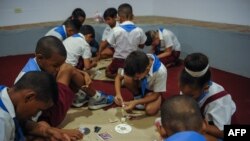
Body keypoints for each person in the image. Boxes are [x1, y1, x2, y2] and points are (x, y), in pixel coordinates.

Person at [14, 36, 114, 138]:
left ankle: (86, 97)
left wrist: (82, 72)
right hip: (43, 119)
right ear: (40, 58)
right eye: (55, 65)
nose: (58, 69)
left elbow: (62, 65)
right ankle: (96, 97)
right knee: (67, 69)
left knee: (67, 68)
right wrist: (59, 131)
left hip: (44, 110)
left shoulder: (40, 63)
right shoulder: (30, 81)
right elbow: (27, 122)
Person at [179, 52, 236, 139]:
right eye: (183, 93)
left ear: (205, 88)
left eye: (191, 95)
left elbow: (224, 133)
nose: (185, 98)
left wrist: (202, 126)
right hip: (202, 118)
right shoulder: (189, 89)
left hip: (219, 127)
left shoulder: (219, 102)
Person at [0, 71, 71, 141]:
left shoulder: (5, 92)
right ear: (29, 97)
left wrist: (47, 132)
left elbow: (20, 122)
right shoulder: (3, 122)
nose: (34, 115)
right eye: (38, 110)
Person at [98, 3, 147, 78]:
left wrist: (98, 55)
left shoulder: (116, 30)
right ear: (132, 16)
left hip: (119, 61)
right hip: (132, 62)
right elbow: (142, 46)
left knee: (107, 72)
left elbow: (103, 45)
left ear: (119, 17)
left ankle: (119, 75)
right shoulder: (139, 30)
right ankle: (128, 75)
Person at [114, 51, 167, 115]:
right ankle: (137, 96)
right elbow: (118, 77)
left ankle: (149, 99)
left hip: (152, 92)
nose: (135, 79)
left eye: (137, 77)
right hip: (140, 87)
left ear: (147, 69)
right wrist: (118, 94)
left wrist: (135, 102)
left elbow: (155, 95)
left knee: (150, 110)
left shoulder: (161, 71)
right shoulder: (135, 62)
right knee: (127, 78)